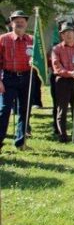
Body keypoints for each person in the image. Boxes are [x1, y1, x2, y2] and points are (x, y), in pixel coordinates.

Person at [0, 10, 33, 151]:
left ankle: (20, 142)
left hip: (27, 78)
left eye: (22, 21)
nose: (19, 23)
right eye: (16, 20)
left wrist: (35, 62)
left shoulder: (32, 40)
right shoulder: (3, 39)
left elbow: (40, 60)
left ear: (26, 23)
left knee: (25, 111)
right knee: (4, 110)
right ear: (11, 23)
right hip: (8, 78)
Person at [51, 22, 74, 144]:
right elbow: (56, 66)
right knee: (62, 109)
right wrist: (69, 73)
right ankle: (63, 136)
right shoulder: (56, 49)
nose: (68, 35)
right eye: (65, 33)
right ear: (61, 35)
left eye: (71, 32)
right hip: (63, 81)